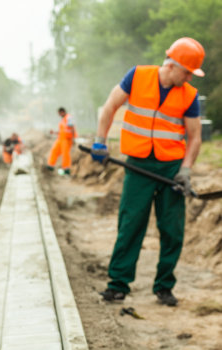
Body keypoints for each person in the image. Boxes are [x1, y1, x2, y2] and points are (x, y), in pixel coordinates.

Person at [91, 37, 205, 307]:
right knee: (130, 224)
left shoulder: (188, 94)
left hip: (171, 169)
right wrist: (100, 141)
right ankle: (118, 285)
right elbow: (110, 106)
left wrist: (186, 170)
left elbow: (195, 136)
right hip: (138, 164)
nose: (189, 77)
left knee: (172, 229)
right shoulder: (137, 76)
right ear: (173, 65)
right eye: (188, 71)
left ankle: (164, 287)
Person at [44, 107, 77, 175]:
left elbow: (72, 128)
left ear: (62, 112)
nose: (59, 115)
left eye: (59, 113)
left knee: (65, 154)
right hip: (60, 139)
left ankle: (66, 169)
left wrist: (73, 139)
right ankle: (51, 165)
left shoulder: (69, 118)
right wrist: (54, 132)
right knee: (54, 150)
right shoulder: (63, 120)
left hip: (67, 139)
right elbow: (62, 131)